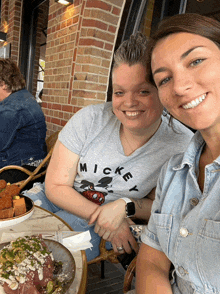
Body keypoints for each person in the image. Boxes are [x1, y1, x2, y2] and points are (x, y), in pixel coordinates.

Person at [23, 32, 193, 262]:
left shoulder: (180, 143)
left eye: (143, 90)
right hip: (60, 200)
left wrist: (124, 206)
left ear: (161, 90)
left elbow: (161, 207)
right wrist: (108, 220)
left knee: (42, 259)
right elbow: (55, 186)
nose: (129, 103)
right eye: (119, 92)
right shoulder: (89, 119)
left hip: (97, 225)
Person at [136, 13, 220, 294]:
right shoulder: (173, 171)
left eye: (196, 61)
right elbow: (152, 260)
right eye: (164, 79)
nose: (180, 87)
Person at [0, 58, 47, 183]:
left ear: (3, 83)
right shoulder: (22, 97)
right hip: (33, 163)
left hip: (22, 170)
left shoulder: (12, 108)